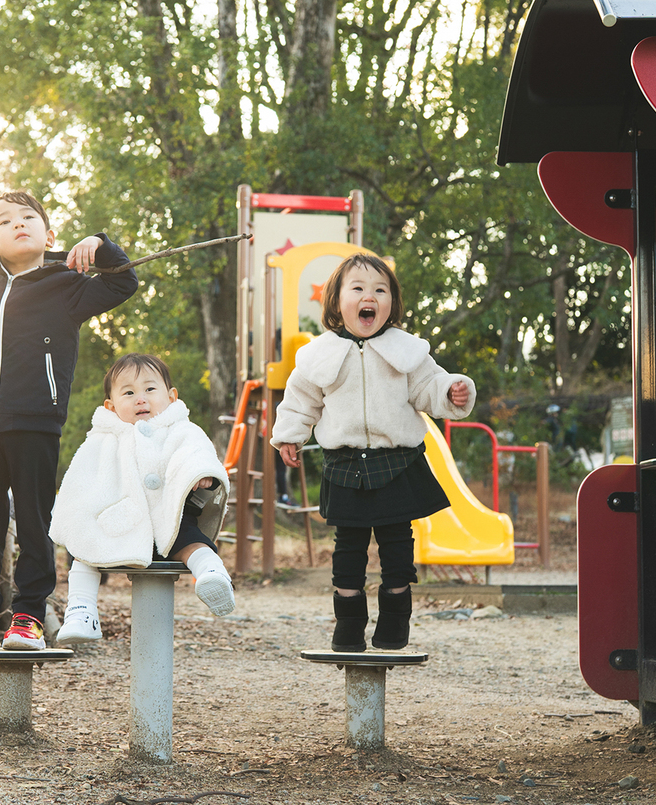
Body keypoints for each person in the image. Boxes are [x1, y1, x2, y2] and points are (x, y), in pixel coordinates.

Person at [0, 191, 139, 650]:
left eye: (28, 217)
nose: (18, 223)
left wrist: (100, 246)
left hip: (36, 421)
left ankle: (29, 617)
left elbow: (123, 283)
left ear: (50, 236)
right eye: (4, 221)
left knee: (34, 520)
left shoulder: (67, 286)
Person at [270, 253, 475, 652]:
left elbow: (429, 386)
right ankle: (349, 625)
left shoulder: (406, 350)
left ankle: (395, 621)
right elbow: (300, 401)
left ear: (391, 303)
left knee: (397, 544)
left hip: (397, 460)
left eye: (381, 290)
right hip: (344, 462)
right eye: (359, 288)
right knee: (348, 547)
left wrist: (451, 390)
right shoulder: (319, 354)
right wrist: (290, 436)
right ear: (337, 301)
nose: (370, 296)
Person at [49, 353, 234, 643]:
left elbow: (195, 453)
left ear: (171, 397)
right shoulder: (103, 437)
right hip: (118, 525)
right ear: (111, 406)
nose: (140, 399)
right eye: (128, 393)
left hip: (170, 520)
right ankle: (81, 612)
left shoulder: (181, 429)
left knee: (192, 542)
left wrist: (200, 473)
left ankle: (212, 574)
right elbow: (82, 479)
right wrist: (81, 515)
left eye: (149, 389)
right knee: (85, 552)